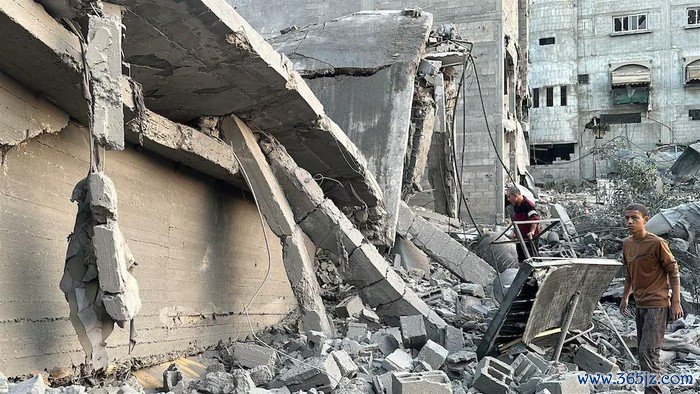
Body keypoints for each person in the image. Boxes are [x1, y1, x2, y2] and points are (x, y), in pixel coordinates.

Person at [619, 203, 683, 394]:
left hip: (658, 303)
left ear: (645, 220)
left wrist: (676, 302)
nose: (630, 221)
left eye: (635, 218)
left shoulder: (656, 243)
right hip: (640, 303)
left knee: (649, 351)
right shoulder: (627, 244)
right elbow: (629, 273)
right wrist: (625, 297)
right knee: (644, 351)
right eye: (627, 218)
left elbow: (673, 271)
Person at [506, 185, 539, 263]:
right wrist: (514, 232)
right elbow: (517, 220)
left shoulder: (528, 205)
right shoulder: (516, 206)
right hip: (520, 237)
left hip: (530, 238)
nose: (508, 199)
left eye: (509, 197)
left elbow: (535, 218)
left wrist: (532, 231)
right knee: (521, 259)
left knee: (532, 259)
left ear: (515, 196)